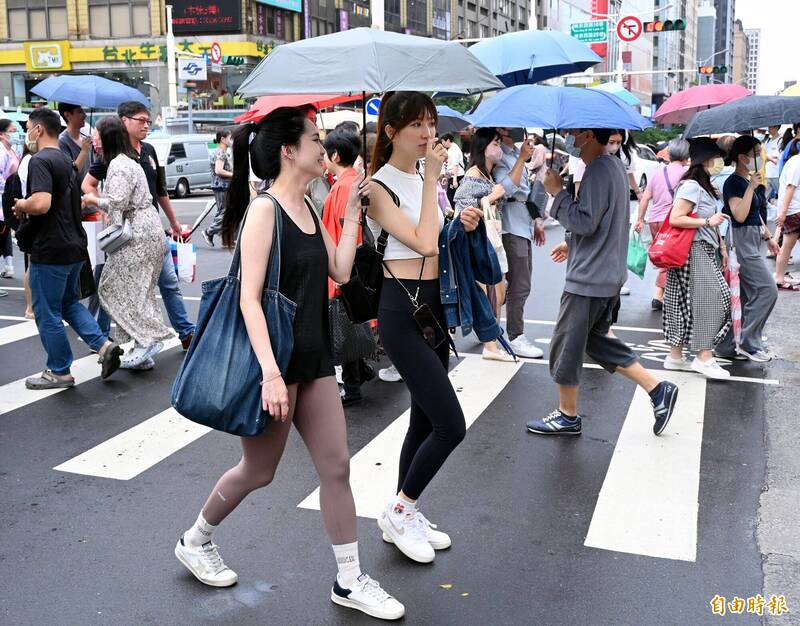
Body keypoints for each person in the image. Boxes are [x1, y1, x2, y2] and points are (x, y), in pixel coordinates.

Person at [175, 107, 405, 620]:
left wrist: (351, 217)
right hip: (273, 364)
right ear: (288, 151)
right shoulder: (266, 211)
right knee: (259, 471)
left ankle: (349, 580)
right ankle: (196, 538)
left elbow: (342, 271)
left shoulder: (307, 203)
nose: (322, 148)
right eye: (314, 140)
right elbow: (249, 299)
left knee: (337, 467)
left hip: (315, 357)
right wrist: (272, 376)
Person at [366, 92, 483, 564]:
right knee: (450, 425)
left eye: (431, 123)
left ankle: (403, 511)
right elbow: (421, 243)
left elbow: (439, 236)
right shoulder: (378, 186)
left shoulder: (420, 177)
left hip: (433, 307)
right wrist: (434, 181)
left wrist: (463, 219)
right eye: (416, 124)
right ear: (391, 131)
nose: (427, 133)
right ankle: (401, 508)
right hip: (401, 309)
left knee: (422, 418)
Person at [528, 128, 679, 437]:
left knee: (567, 345)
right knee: (595, 342)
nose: (570, 137)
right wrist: (571, 241)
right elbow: (598, 220)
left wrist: (557, 193)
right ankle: (657, 389)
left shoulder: (598, 169)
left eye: (573, 132)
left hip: (590, 277)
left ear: (587, 134)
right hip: (605, 272)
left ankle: (567, 415)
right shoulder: (611, 167)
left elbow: (585, 220)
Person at [12, 108, 122, 388]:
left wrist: (21, 205)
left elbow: (41, 203)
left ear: (38, 130)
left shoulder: (40, 161)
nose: (27, 132)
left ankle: (59, 370)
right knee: (68, 304)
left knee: (47, 311)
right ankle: (104, 346)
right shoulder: (64, 160)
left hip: (51, 250)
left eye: (28, 126)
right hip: (75, 246)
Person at [82, 101, 195, 350]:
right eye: (141, 120)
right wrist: (106, 208)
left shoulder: (148, 152)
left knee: (156, 286)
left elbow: (160, 189)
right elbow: (88, 184)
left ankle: (180, 333)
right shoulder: (109, 158)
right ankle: (105, 337)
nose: (146, 125)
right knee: (118, 286)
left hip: (144, 231)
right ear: (124, 122)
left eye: (147, 120)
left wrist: (174, 222)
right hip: (126, 233)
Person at [661, 137, 733, 380]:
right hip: (693, 249)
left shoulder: (704, 186)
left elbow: (711, 221)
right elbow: (676, 218)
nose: (719, 163)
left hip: (701, 248)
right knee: (714, 299)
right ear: (705, 160)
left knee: (683, 302)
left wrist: (721, 245)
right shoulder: (691, 185)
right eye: (716, 158)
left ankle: (675, 355)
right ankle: (704, 356)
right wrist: (706, 222)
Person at [321, 128, 375, 406]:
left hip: (343, 264)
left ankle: (352, 383)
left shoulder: (344, 186)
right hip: (348, 261)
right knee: (349, 321)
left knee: (344, 321)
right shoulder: (353, 180)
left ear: (335, 155)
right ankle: (358, 372)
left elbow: (345, 227)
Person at [714, 135, 778, 363]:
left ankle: (727, 345)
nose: (761, 158)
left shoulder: (753, 179)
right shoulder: (734, 182)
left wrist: (768, 235)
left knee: (743, 296)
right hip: (740, 240)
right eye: (756, 154)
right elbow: (739, 214)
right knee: (767, 290)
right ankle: (749, 343)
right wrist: (752, 186)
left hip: (753, 237)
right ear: (742, 158)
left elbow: (755, 214)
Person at [453, 126, 512, 362]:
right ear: (482, 147)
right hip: (478, 242)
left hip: (493, 238)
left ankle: (492, 338)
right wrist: (491, 197)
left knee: (498, 291)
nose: (499, 148)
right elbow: (462, 211)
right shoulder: (473, 174)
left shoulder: (490, 174)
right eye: (495, 143)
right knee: (491, 290)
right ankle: (491, 343)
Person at [493, 127, 546, 359]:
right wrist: (522, 159)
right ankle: (515, 335)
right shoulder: (502, 156)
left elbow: (524, 194)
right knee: (519, 283)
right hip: (510, 225)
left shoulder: (516, 154)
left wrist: (536, 219)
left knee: (513, 283)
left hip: (521, 223)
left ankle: (490, 327)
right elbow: (507, 189)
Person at [634, 138, 691, 310]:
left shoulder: (658, 173)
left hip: (654, 221)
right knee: (674, 259)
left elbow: (645, 198)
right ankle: (660, 295)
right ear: (686, 155)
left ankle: (662, 295)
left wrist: (639, 219)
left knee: (665, 258)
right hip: (672, 221)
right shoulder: (686, 173)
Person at [773, 138, 800, 291]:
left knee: (787, 246)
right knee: (787, 245)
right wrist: (783, 213)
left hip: (793, 209)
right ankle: (779, 277)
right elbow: (790, 187)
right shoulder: (797, 163)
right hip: (794, 210)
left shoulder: (795, 161)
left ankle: (779, 276)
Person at [201, 129, 233, 248]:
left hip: (220, 185)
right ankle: (209, 232)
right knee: (225, 212)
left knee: (223, 211)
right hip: (222, 185)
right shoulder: (221, 152)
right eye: (230, 138)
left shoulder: (220, 151)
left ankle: (225, 238)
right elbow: (219, 170)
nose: (231, 141)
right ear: (222, 139)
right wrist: (234, 175)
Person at [0, 118, 20, 283]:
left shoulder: (12, 151)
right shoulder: (0, 152)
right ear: (1, 134)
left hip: (8, 199)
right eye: (12, 131)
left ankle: (9, 265)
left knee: (4, 232)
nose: (15, 133)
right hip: (2, 199)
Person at [57, 103, 93, 195]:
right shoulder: (62, 142)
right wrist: (84, 151)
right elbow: (70, 174)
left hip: (89, 197)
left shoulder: (85, 140)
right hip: (74, 200)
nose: (84, 115)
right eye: (80, 112)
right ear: (67, 115)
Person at [440, 133, 465, 205]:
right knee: (451, 197)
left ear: (447, 140)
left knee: (452, 198)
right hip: (454, 176)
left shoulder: (454, 150)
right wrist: (447, 177)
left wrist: (454, 180)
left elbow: (455, 166)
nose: (442, 144)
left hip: (457, 176)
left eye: (443, 142)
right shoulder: (452, 149)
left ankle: (452, 215)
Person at [763, 125, 782, 202]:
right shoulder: (767, 141)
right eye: (768, 127)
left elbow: (776, 159)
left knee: (782, 196)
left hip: (776, 174)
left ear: (776, 127)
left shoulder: (781, 140)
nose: (769, 129)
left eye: (771, 127)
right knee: (763, 199)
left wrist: (766, 156)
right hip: (767, 174)